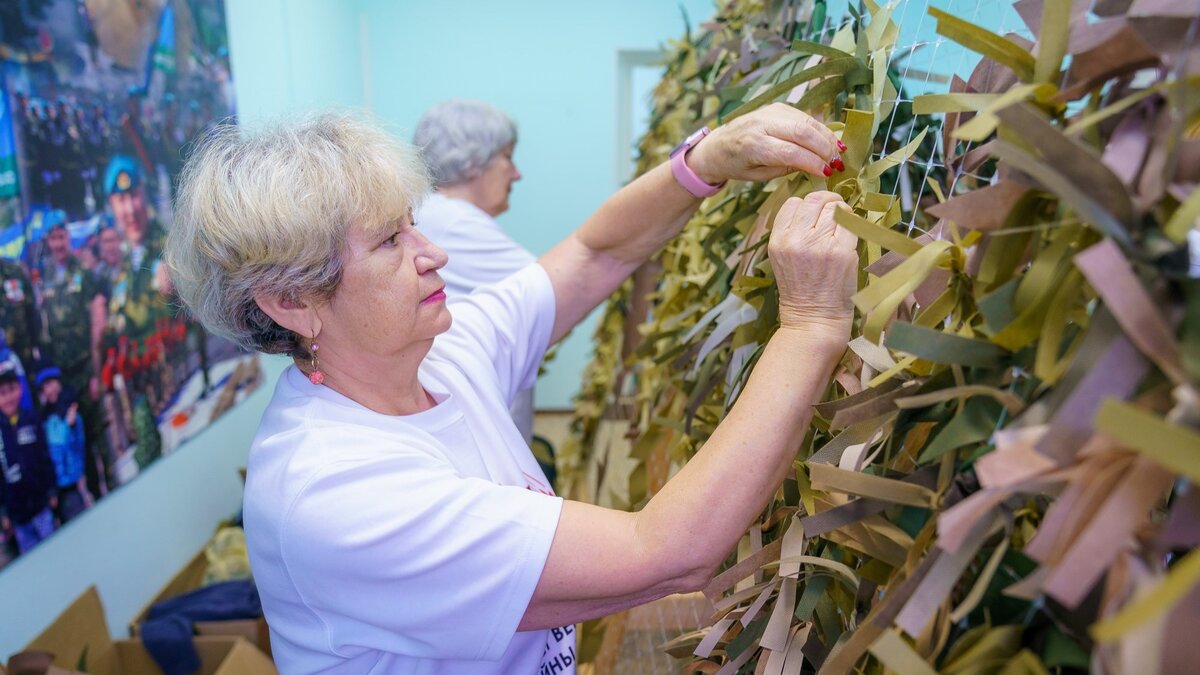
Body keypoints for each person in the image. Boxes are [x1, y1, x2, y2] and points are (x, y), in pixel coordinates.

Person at [166, 105, 854, 674]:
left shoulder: (438, 358)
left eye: (414, 222)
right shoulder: (336, 492)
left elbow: (595, 254)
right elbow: (669, 551)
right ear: (291, 300)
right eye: (388, 242)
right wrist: (811, 326)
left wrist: (704, 164)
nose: (432, 252)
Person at [412, 99, 537, 442]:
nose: (516, 173)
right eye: (508, 157)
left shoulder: (433, 214)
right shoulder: (455, 223)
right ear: (472, 163)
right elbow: (560, 286)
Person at [0, 360, 57, 554]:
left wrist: (51, 490)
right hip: (18, 515)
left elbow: (44, 455)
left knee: (54, 550)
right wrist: (4, 512)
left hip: (41, 505)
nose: (7, 398)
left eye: (11, 390)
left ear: (20, 389)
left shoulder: (31, 418)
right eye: (2, 393)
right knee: (34, 561)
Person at [36, 365, 93, 523]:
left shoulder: (72, 411)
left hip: (73, 484)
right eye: (45, 386)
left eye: (51, 383)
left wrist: (70, 426)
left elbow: (72, 446)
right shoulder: (44, 419)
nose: (50, 390)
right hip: (57, 490)